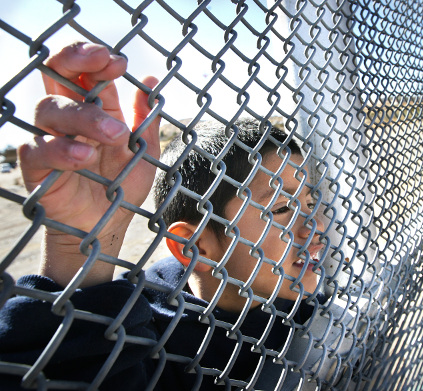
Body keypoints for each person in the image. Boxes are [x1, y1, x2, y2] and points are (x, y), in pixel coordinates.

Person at [0, 42, 326, 390]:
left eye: (310, 204)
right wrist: (80, 244)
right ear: (194, 245)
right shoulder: (149, 339)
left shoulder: (293, 298)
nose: (316, 227)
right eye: (281, 208)